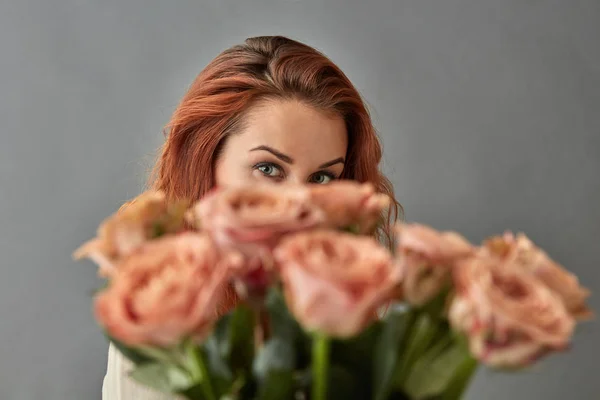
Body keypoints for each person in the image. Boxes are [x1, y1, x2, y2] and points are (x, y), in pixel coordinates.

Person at [102, 35, 402, 399]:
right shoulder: (157, 309)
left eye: (322, 177)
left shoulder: (360, 306)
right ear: (206, 160)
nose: (298, 206)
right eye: (268, 168)